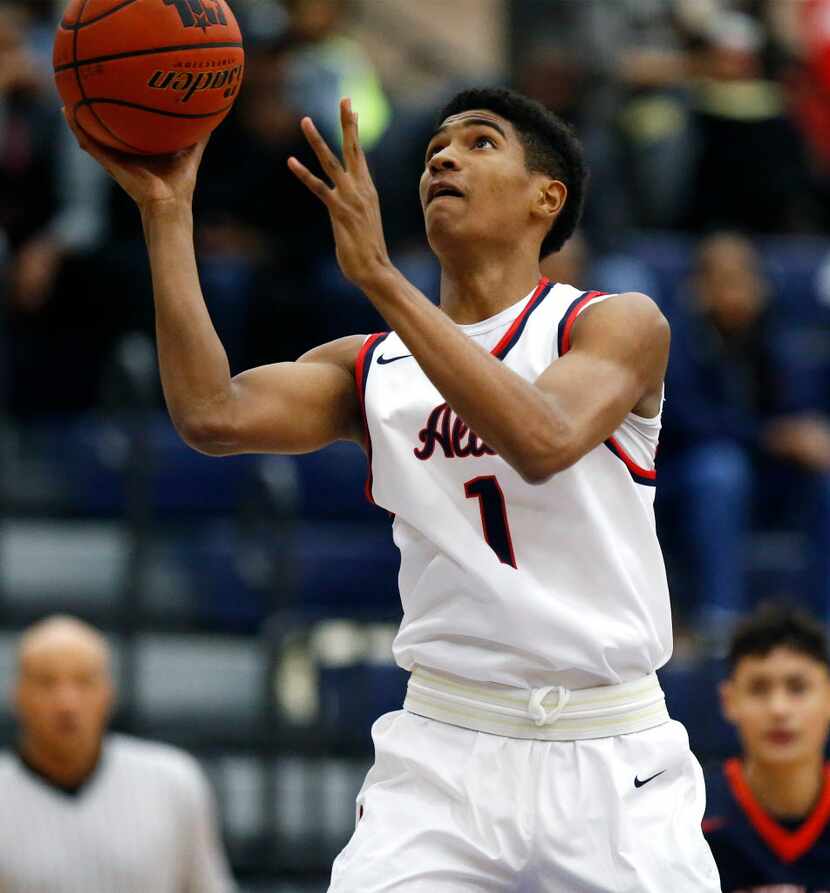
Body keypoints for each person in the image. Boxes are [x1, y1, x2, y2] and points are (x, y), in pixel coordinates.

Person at [64, 85, 720, 890]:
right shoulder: (372, 364)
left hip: (609, 745)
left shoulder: (613, 322)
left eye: (480, 143)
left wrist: (380, 277)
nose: (442, 156)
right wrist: (168, 214)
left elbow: (543, 439)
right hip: (447, 749)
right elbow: (211, 413)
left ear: (546, 199)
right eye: (434, 147)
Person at [659, 232, 830, 635]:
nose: (738, 292)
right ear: (699, 288)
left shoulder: (775, 336)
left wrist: (804, 437)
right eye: (725, 280)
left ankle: (821, 621)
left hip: (767, 474)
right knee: (721, 470)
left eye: (746, 279)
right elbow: (685, 421)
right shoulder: (672, 341)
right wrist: (770, 436)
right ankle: (721, 616)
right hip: (685, 476)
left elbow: (798, 409)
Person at [0, 615, 235, 892]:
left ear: (107, 694)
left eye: (84, 681)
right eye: (46, 682)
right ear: (17, 695)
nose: (67, 703)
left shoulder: (173, 782)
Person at [704, 603, 830, 890]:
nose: (779, 709)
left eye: (797, 688)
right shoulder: (688, 816)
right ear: (729, 700)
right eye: (759, 689)